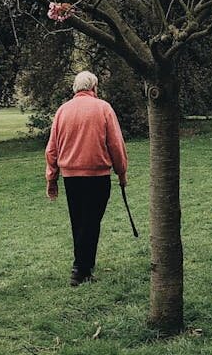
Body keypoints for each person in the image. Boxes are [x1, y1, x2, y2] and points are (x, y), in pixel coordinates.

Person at [45, 70, 128, 286]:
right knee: (91, 222)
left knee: (79, 221)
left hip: (71, 177)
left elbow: (52, 149)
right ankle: (81, 268)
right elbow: (116, 145)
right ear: (94, 87)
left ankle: (83, 265)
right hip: (97, 176)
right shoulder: (103, 108)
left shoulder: (62, 111)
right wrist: (122, 172)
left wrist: (51, 178)